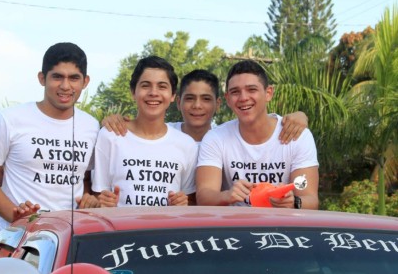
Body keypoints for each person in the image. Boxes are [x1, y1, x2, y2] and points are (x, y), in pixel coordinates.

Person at [0, 42, 100, 231]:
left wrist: (91, 200)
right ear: (42, 78)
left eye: (74, 78)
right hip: (17, 241)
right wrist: (19, 217)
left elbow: (87, 180)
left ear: (85, 81)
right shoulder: (9, 119)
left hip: (71, 240)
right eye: (57, 77)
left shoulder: (91, 126)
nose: (65, 86)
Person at [196, 60, 319, 209]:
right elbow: (204, 196)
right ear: (228, 99)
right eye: (235, 92)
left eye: (251, 89)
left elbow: (311, 199)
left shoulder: (297, 134)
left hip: (282, 227)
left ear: (268, 93)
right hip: (234, 228)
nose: (243, 98)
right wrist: (227, 195)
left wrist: (293, 202)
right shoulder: (215, 138)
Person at [92, 55, 198, 207]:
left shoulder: (186, 144)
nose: (153, 93)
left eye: (162, 86)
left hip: (167, 230)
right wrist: (103, 203)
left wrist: (183, 203)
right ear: (133, 92)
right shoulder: (110, 135)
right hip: (120, 230)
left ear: (173, 95)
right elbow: (98, 194)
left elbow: (192, 200)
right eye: (145, 85)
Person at [102, 68, 309, 144]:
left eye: (206, 99)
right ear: (178, 101)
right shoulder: (165, 135)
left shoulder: (223, 139)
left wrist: (300, 116)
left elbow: (262, 120)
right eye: (190, 98)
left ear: (219, 103)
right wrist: (112, 120)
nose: (197, 106)